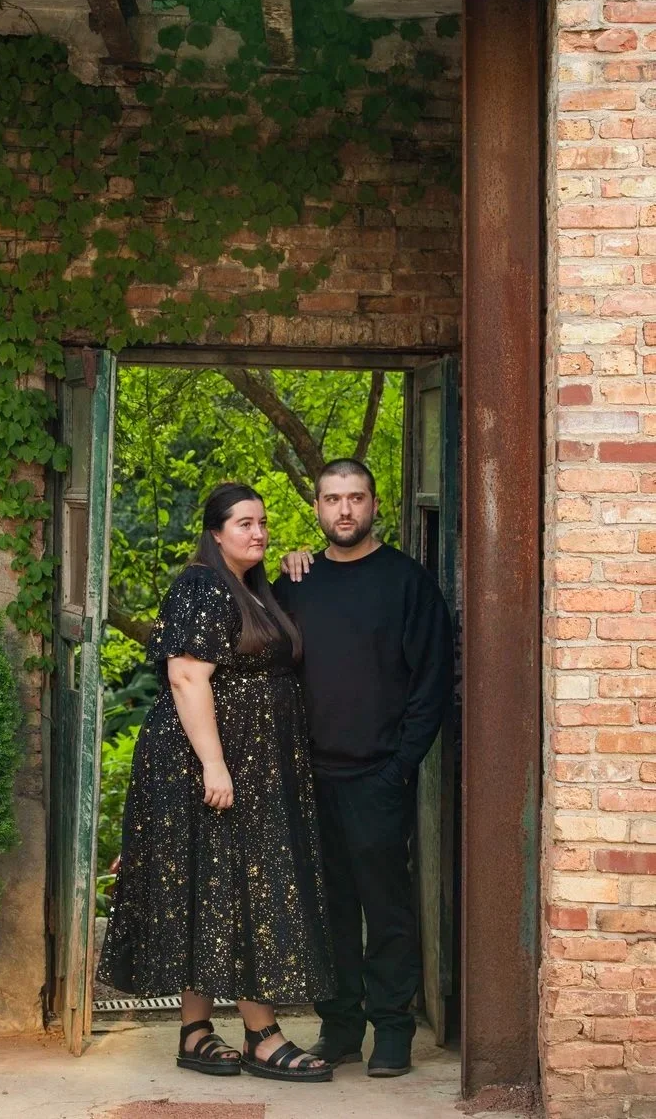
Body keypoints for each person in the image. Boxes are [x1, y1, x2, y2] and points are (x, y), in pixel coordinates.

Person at [98, 482, 335, 1083]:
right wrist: (214, 764)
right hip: (208, 763)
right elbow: (185, 677)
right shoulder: (202, 586)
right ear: (215, 532)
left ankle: (194, 1028)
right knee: (245, 888)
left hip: (250, 762)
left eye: (262, 522)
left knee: (214, 886)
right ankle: (262, 1033)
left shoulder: (251, 589)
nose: (257, 532)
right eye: (243, 523)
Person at [273, 458, 454, 1078]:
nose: (343, 511)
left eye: (355, 498)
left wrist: (400, 765)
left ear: (376, 504)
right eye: (331, 499)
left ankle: (394, 1031)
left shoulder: (408, 583)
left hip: (377, 775)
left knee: (387, 906)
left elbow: (433, 681)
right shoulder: (294, 581)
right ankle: (341, 1028)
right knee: (328, 909)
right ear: (317, 507)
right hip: (308, 776)